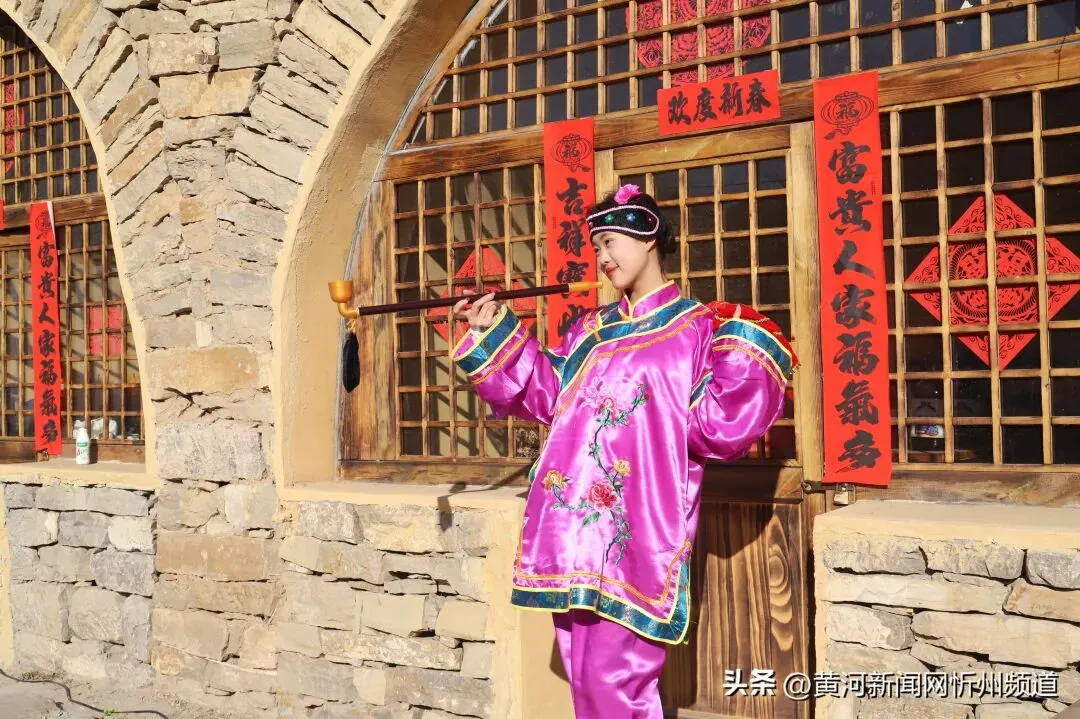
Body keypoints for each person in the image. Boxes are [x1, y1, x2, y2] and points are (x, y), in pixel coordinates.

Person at [450, 184, 795, 718]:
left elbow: (716, 429)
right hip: (571, 528)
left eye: (610, 242)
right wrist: (494, 328)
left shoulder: (696, 329)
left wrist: (746, 346)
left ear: (648, 236)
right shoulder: (592, 330)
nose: (603, 258)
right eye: (596, 248)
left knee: (615, 683)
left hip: (636, 532)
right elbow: (547, 394)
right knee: (585, 681)